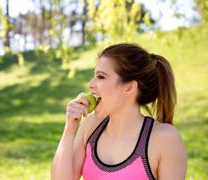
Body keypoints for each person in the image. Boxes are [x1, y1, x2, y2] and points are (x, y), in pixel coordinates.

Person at [51, 43, 187, 180]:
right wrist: (69, 130)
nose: (90, 84)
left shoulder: (165, 139)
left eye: (101, 76)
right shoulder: (90, 126)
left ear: (129, 88)